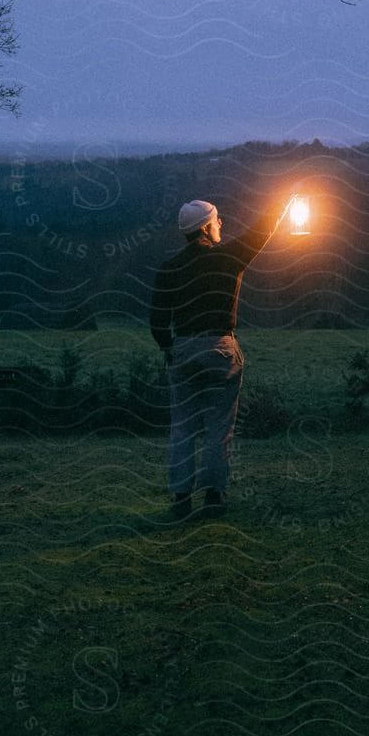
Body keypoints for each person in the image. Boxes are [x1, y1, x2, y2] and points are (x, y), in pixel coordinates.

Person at [149, 195, 292, 521]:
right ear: (206, 227)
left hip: (183, 348)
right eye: (217, 221)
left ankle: (181, 501)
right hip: (221, 349)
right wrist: (281, 201)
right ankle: (214, 498)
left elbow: (157, 320)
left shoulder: (169, 268)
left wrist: (169, 348)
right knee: (218, 428)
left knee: (182, 428)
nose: (221, 225)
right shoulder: (228, 257)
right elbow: (261, 232)